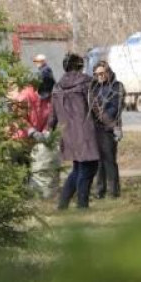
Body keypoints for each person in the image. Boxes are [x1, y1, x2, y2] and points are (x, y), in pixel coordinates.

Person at [46, 53, 99, 209]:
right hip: (86, 134)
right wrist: (111, 124)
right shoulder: (87, 83)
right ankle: (82, 206)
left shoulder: (57, 87)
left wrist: (50, 129)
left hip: (68, 135)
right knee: (88, 168)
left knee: (78, 168)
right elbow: (97, 108)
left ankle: (62, 204)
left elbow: (53, 114)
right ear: (80, 66)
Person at [88, 60, 125, 199]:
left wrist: (104, 117)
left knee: (109, 160)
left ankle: (113, 191)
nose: (100, 76)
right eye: (97, 74)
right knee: (99, 161)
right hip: (96, 129)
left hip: (109, 128)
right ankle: (100, 191)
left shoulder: (117, 86)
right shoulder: (94, 87)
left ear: (108, 72)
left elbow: (116, 107)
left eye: (102, 73)